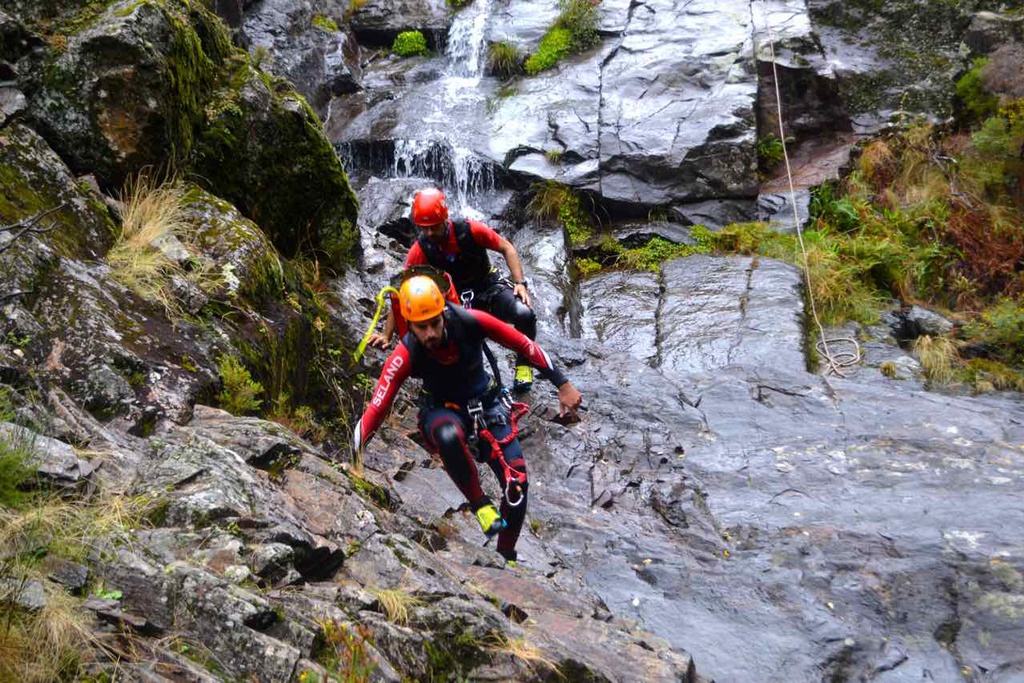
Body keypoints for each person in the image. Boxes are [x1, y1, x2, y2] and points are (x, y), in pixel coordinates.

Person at [354, 276, 582, 566]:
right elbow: (377, 407)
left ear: (443, 315)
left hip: (487, 406)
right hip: (441, 411)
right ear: (408, 325)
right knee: (448, 436)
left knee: (518, 483)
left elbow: (523, 344)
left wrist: (562, 384)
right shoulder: (407, 352)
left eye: (434, 323)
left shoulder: (469, 321)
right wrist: (355, 458)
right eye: (421, 327)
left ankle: (506, 555)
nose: (430, 334)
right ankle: (481, 506)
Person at [369, 188, 539, 393]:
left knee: (524, 314)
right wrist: (386, 335)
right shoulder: (421, 250)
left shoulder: (471, 230)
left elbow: (507, 248)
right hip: (454, 302)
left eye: (434, 227)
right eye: (424, 228)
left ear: (445, 218)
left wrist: (520, 283)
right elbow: (403, 293)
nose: (430, 233)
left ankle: (524, 365)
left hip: (488, 288)